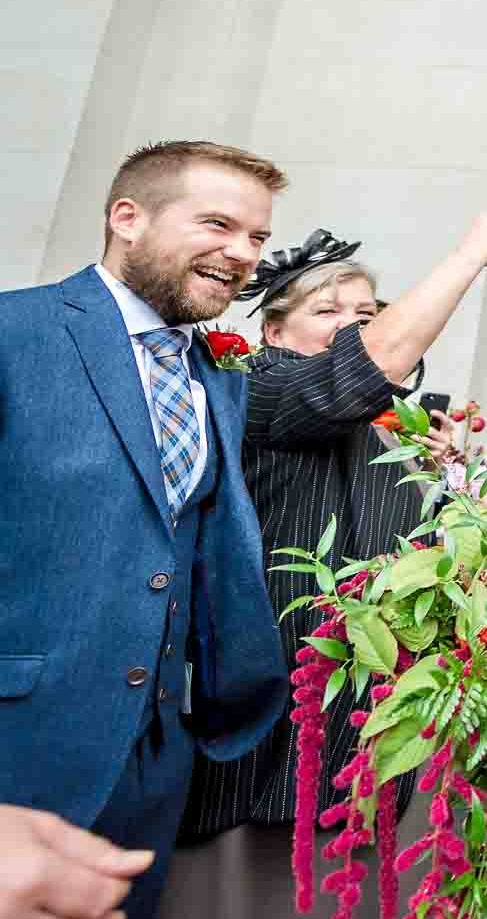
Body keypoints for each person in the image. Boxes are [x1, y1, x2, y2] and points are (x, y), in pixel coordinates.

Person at [159, 214, 487, 918]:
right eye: (328, 312)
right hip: (272, 728)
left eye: (366, 313)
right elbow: (360, 372)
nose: (353, 327)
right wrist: (469, 252)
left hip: (368, 736)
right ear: (272, 332)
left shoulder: (392, 431)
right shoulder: (257, 390)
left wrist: (460, 486)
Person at [0, 140, 292, 918]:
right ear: (127, 218)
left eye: (258, 239)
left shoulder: (217, 378)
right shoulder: (13, 336)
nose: (243, 255)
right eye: (220, 225)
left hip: (153, 768)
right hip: (18, 751)